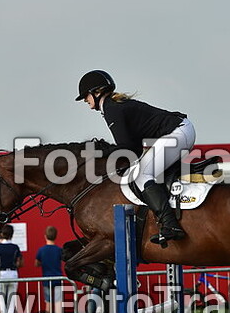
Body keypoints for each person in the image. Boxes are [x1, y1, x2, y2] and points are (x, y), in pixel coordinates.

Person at [76, 69, 195, 245]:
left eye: (86, 96)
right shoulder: (112, 106)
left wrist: (99, 153)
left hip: (177, 133)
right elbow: (133, 149)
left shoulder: (111, 109)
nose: (85, 100)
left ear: (97, 92)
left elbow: (126, 147)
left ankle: (169, 225)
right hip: (179, 132)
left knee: (142, 176)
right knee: (143, 170)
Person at [0, 225, 23, 313]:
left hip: (1, 274)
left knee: (1, 302)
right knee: (11, 302)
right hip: (13, 273)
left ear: (1, 234)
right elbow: (19, 262)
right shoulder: (15, 247)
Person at [35, 226, 63, 313]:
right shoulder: (59, 250)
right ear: (56, 236)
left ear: (45, 236)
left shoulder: (41, 250)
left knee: (48, 302)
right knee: (58, 301)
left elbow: (37, 263)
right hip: (58, 277)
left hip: (46, 278)